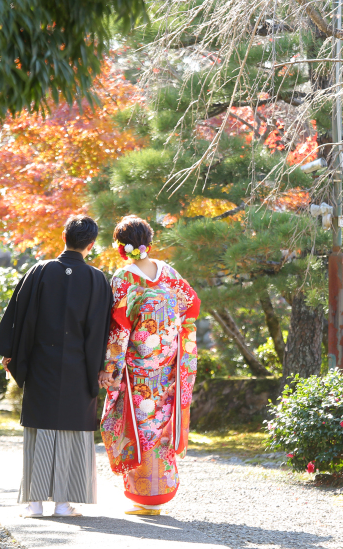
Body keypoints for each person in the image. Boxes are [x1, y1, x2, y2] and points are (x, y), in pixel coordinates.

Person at [0, 215, 113, 518]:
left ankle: (33, 503)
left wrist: (12, 355)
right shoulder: (97, 279)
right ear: (92, 244)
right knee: (72, 431)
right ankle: (63, 503)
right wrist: (100, 367)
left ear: (64, 236)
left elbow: (17, 314)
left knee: (40, 429)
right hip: (80, 365)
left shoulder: (40, 271)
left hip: (42, 361)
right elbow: (101, 330)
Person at [100, 215, 200, 516]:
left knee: (137, 426)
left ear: (121, 247)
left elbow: (120, 329)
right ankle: (162, 491)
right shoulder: (169, 273)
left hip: (135, 371)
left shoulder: (123, 278)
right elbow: (191, 305)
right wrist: (171, 339)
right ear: (149, 243)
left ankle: (144, 497)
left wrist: (111, 369)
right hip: (168, 369)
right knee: (161, 428)